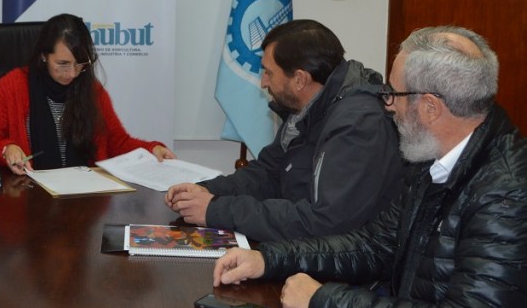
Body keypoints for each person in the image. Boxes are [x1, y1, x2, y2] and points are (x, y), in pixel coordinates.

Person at [213, 26, 527, 308]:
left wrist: (323, 303)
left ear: (430, 107)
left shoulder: (513, 197)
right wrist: (269, 259)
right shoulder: (432, 159)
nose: (386, 103)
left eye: (392, 92)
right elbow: (373, 244)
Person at [166, 19, 402, 242]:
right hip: (306, 249)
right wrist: (205, 191)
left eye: (269, 72)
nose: (263, 82)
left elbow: (325, 222)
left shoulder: (359, 125)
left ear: (300, 79)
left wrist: (216, 209)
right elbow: (270, 172)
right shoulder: (308, 106)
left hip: (349, 269)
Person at [0, 13, 175, 174]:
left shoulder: (92, 90)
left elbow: (117, 141)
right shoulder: (13, 87)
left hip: (84, 200)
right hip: (30, 197)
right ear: (44, 56)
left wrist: (152, 149)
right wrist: (6, 149)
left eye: (79, 65)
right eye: (62, 64)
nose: (71, 73)